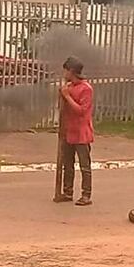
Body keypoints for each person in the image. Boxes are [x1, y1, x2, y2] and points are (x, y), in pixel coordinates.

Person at [55, 56, 94, 206]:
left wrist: (67, 96)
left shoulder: (86, 89)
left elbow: (81, 111)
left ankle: (86, 195)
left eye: (65, 70)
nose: (64, 74)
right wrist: (62, 96)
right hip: (68, 131)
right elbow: (63, 109)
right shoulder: (69, 87)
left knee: (84, 165)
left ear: (71, 71)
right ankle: (67, 192)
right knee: (67, 164)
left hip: (82, 132)